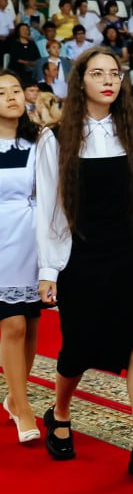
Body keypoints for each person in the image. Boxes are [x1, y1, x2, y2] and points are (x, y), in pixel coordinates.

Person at [35, 48, 133, 480]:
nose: (108, 80)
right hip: (82, 252)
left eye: (114, 73)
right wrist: (48, 270)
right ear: (81, 83)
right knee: (77, 347)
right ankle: (59, 412)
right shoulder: (55, 138)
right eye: (98, 73)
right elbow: (51, 211)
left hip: (130, 251)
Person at [0, 69, 43, 443]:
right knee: (11, 324)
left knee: (30, 324)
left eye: (16, 90)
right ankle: (23, 405)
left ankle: (14, 395)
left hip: (34, 236)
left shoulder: (39, 141)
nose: (12, 96)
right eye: (2, 92)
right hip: (1, 239)